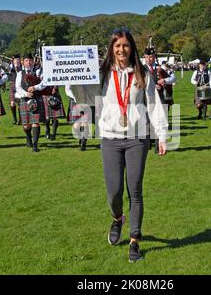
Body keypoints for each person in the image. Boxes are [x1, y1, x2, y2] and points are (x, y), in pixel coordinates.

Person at [71, 29, 168, 262]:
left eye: (125, 45)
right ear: (111, 48)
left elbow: (154, 105)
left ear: (131, 47)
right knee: (114, 192)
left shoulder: (142, 73)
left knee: (134, 190)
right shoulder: (103, 73)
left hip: (138, 137)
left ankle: (134, 241)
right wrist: (74, 81)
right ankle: (117, 219)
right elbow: (85, 97)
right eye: (117, 46)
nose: (121, 50)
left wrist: (162, 135)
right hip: (110, 138)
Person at [15, 53, 47, 153]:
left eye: (30, 60)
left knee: (35, 123)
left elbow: (44, 83)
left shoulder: (38, 72)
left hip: (37, 98)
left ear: (33, 61)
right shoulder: (20, 74)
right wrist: (25, 94)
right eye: (26, 60)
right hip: (25, 99)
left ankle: (35, 144)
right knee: (26, 125)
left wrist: (35, 87)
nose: (28, 62)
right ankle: (28, 137)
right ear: (23, 62)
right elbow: (18, 88)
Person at [9, 54, 22, 125]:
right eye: (15, 61)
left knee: (20, 104)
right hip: (12, 87)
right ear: (13, 61)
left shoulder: (22, 68)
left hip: (20, 87)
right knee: (12, 103)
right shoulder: (10, 68)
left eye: (18, 60)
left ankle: (20, 119)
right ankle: (14, 118)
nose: (17, 62)